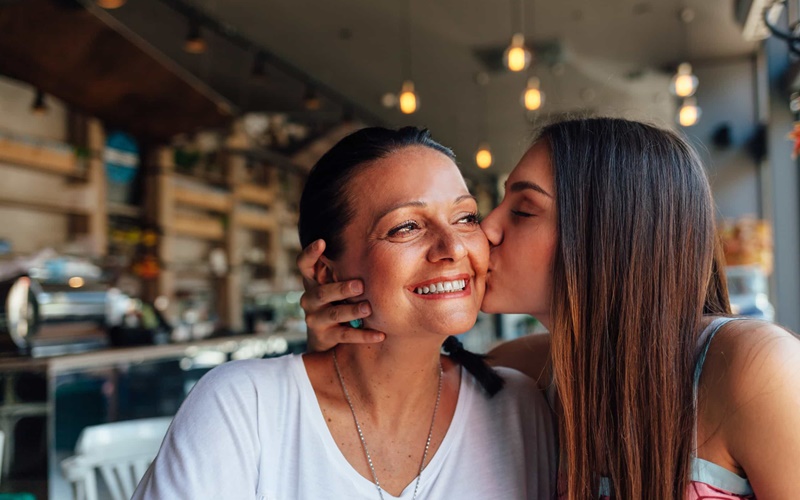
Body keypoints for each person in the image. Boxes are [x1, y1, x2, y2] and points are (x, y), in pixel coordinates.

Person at [298, 117, 800, 499]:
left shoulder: (755, 369)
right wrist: (338, 340)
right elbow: (389, 390)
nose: (485, 231)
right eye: (485, 210)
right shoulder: (522, 372)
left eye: (522, 210)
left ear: (608, 235)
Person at [133, 127, 557, 499]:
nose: (454, 248)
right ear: (324, 271)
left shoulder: (517, 407)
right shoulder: (246, 407)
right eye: (406, 226)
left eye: (465, 217)